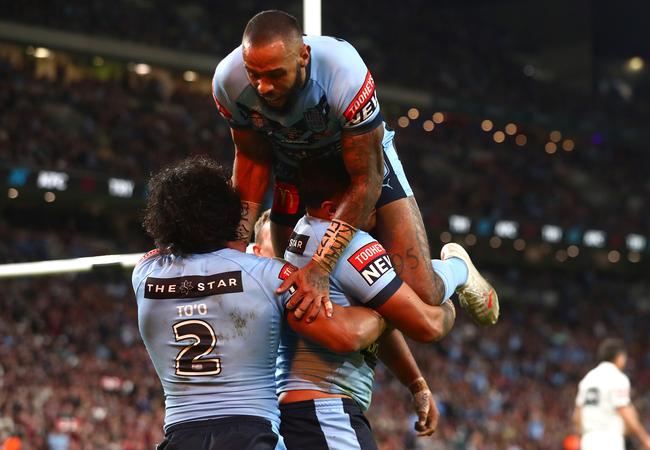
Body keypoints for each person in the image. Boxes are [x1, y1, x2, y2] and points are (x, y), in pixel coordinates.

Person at [211, 9, 499, 326]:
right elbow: (251, 162)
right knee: (286, 280)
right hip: (293, 163)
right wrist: (233, 252)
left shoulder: (343, 72)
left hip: (358, 162)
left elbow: (366, 180)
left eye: (276, 75)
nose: (263, 87)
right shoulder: (228, 81)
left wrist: (321, 266)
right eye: (255, 74)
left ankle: (457, 267)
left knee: (424, 291)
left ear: (303, 56)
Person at [132, 156, 389, 450]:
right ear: (227, 213)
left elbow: (161, 250)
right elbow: (346, 335)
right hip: (250, 434)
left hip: (180, 435)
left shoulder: (144, 275)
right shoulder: (267, 274)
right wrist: (386, 313)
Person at [275, 160, 474, 449]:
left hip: (306, 411)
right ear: (334, 209)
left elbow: (377, 318)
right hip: (325, 413)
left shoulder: (306, 229)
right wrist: (449, 306)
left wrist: (415, 382)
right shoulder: (352, 244)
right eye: (362, 197)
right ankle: (459, 266)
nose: (375, 203)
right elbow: (427, 326)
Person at [573, 338, 650, 450]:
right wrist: (645, 438)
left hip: (588, 440)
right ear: (619, 357)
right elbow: (625, 411)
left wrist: (585, 436)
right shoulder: (617, 377)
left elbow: (577, 416)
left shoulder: (587, 379)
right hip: (609, 440)